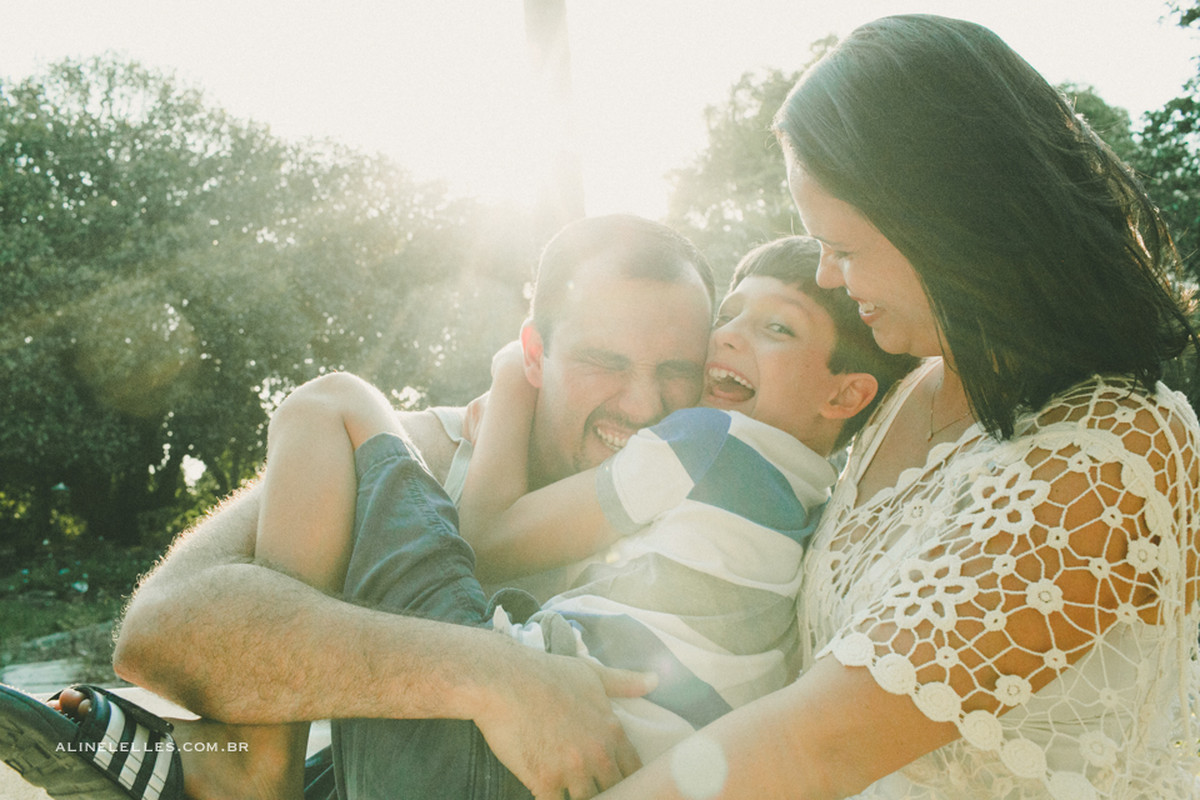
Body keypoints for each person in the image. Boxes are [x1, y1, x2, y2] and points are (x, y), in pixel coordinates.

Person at [590, 14, 1200, 799]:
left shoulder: (1119, 454)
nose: (830, 278)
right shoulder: (909, 390)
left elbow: (819, 747)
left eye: (843, 249)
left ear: (950, 226)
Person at [107, 213, 720, 798]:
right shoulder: (418, 452)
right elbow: (157, 633)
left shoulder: (709, 489)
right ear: (534, 353)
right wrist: (492, 676)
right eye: (603, 361)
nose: (645, 407)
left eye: (677, 370)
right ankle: (241, 771)